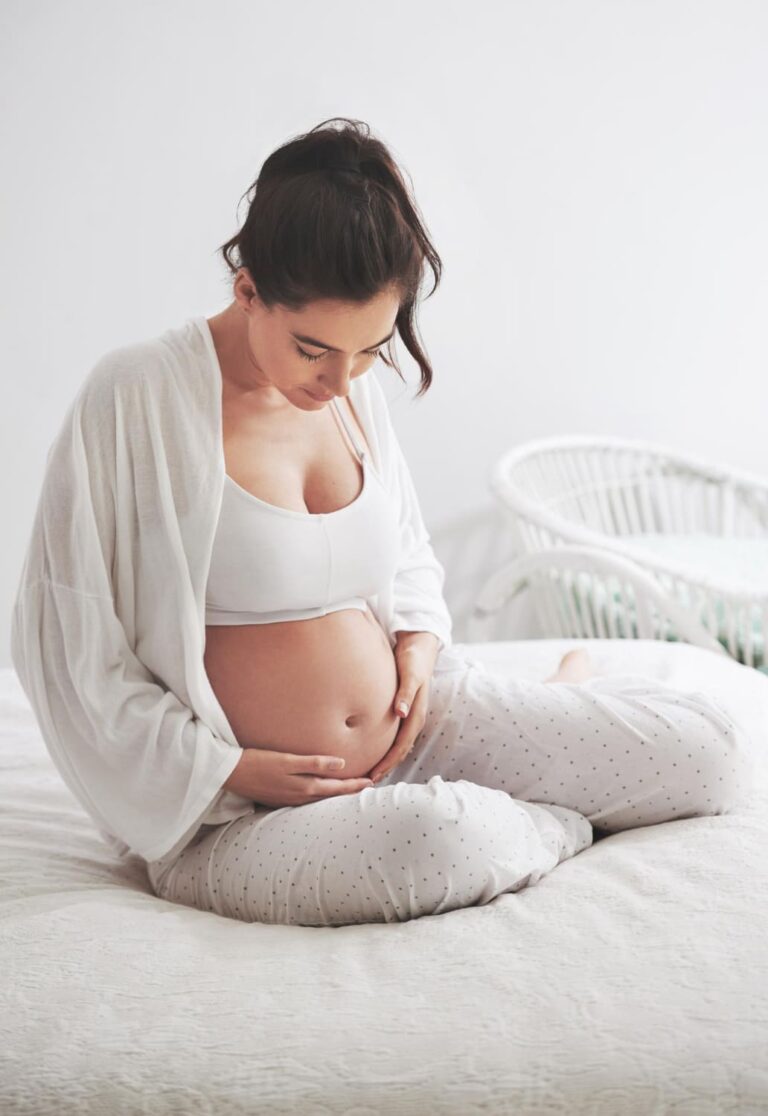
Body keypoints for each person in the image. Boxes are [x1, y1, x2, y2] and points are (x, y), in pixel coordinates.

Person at [11, 117, 756, 927]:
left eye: (368, 350)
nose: (341, 380)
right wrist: (227, 770)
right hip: (236, 818)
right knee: (435, 840)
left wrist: (419, 640)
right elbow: (68, 645)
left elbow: (405, 554)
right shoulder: (135, 397)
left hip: (420, 726)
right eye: (311, 350)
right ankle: (558, 818)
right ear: (248, 287)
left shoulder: (350, 386)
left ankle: (527, 777)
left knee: (710, 752)